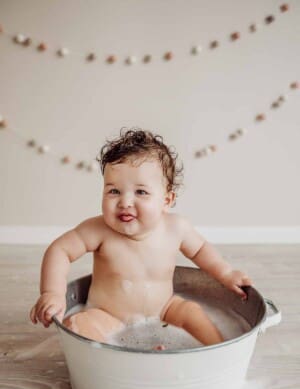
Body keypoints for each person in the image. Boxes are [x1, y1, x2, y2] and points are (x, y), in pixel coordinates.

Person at [30, 128, 252, 347]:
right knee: (78, 323)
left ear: (167, 199)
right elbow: (60, 250)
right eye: (114, 191)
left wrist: (226, 273)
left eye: (141, 192)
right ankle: (122, 357)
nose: (125, 202)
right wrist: (53, 293)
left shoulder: (176, 228)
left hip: (165, 308)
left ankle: (218, 349)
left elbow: (200, 249)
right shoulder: (98, 230)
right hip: (108, 316)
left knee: (191, 312)